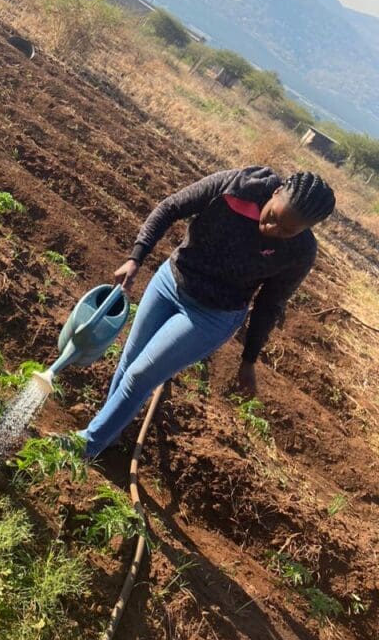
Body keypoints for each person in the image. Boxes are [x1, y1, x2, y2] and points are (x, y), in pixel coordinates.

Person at [77, 167, 336, 458]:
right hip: (170, 281)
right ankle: (106, 435)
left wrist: (249, 359)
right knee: (129, 361)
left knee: (140, 376)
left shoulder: (300, 252)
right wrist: (135, 258)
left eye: (288, 230)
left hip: (211, 316)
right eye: (274, 216)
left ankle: (85, 446)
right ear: (276, 193)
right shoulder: (237, 187)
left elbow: (269, 304)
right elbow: (171, 206)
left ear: (306, 229)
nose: (273, 230)